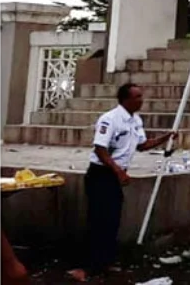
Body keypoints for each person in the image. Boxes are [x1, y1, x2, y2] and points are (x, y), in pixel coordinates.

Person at [66, 83, 176, 282]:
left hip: (116, 175)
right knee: (97, 221)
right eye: (137, 97)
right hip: (102, 174)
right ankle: (86, 267)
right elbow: (100, 148)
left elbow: (142, 145)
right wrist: (118, 171)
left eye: (141, 96)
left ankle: (105, 262)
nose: (141, 100)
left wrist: (165, 137)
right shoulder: (110, 119)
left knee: (112, 220)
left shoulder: (135, 121)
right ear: (125, 99)